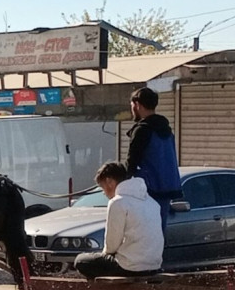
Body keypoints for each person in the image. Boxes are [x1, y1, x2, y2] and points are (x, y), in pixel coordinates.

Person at [75, 162, 164, 279]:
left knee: (81, 261)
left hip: (129, 266)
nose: (103, 193)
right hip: (154, 265)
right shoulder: (152, 202)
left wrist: (105, 254)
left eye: (102, 187)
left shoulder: (118, 202)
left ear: (109, 182)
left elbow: (111, 245)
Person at [125, 87, 182, 226]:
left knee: (146, 231)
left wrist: (119, 182)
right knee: (159, 233)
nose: (132, 109)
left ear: (138, 105)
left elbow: (131, 163)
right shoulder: (166, 130)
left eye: (132, 106)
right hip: (167, 189)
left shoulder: (142, 130)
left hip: (149, 190)